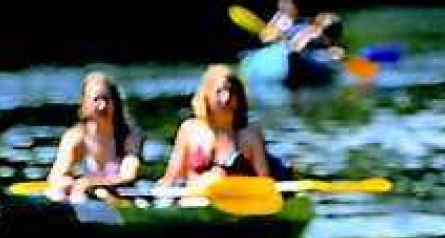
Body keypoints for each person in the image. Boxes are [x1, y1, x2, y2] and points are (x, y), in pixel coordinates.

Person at [157, 64, 283, 187]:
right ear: (206, 95)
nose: (226, 98)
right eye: (219, 91)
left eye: (231, 91)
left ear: (239, 97)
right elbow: (170, 178)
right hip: (195, 200)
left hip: (238, 200)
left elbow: (265, 182)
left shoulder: (250, 135)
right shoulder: (189, 131)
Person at [44, 72, 144, 201]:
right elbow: (56, 176)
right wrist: (66, 182)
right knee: (57, 193)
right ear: (84, 104)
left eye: (106, 99)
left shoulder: (130, 136)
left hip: (119, 198)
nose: (102, 106)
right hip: (84, 196)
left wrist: (89, 183)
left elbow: (128, 175)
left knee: (100, 194)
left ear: (115, 103)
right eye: (96, 100)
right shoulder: (75, 137)